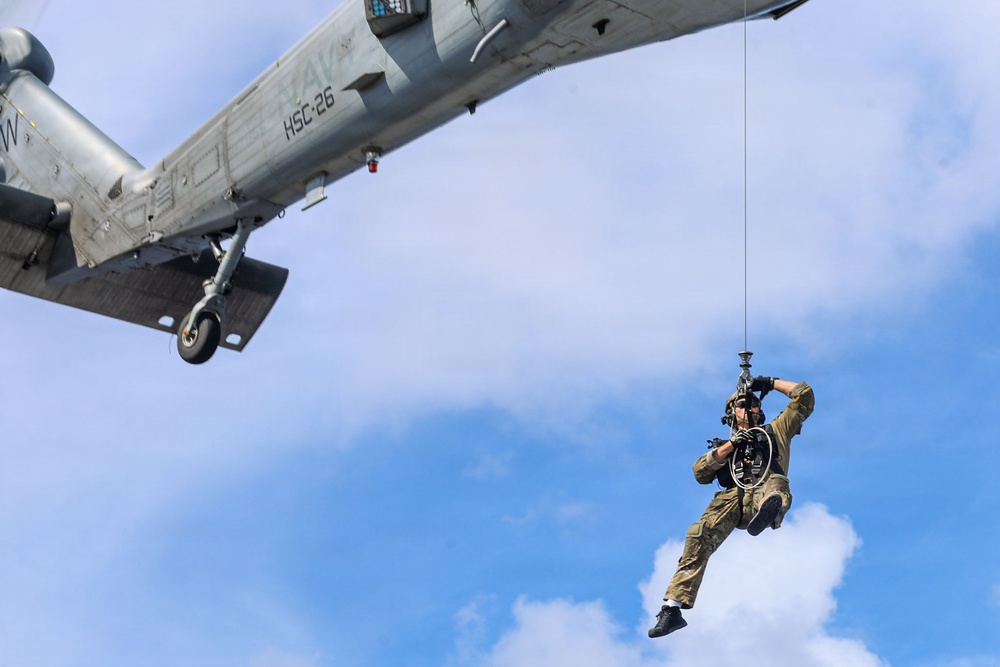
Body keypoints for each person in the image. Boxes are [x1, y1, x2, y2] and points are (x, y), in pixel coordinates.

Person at [647, 375, 815, 638]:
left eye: (753, 404)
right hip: (734, 500)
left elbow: (804, 396)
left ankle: (771, 509)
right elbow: (700, 472)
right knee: (698, 536)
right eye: (741, 404)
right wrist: (729, 447)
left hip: (764, 488)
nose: (748, 407)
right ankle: (672, 609)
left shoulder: (776, 430)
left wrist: (770, 383)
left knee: (776, 485)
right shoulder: (726, 446)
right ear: (730, 413)